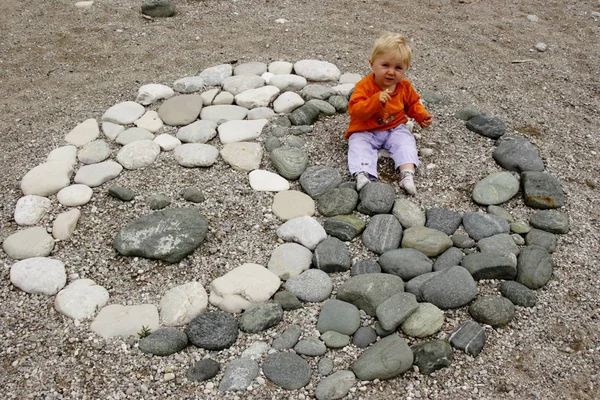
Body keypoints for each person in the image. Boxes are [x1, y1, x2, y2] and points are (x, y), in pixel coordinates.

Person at [345, 32, 433, 195]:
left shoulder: (404, 86)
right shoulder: (364, 86)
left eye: (398, 67)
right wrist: (375, 101)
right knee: (357, 144)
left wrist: (421, 116)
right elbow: (356, 111)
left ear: (406, 69)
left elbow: (412, 103)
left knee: (406, 141)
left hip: (394, 128)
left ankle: (407, 173)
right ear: (372, 64)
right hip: (366, 129)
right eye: (385, 65)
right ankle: (363, 174)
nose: (391, 72)